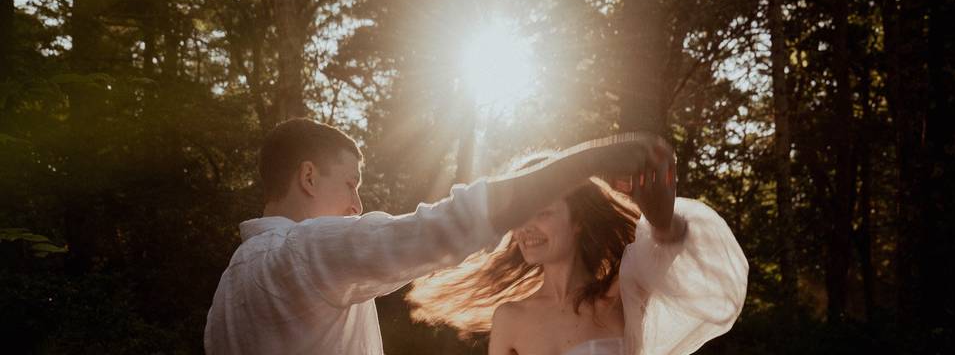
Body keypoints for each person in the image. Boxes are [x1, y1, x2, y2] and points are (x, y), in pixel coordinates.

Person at [203, 118, 670, 354]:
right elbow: (440, 229)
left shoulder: (226, 295)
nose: (356, 205)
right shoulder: (303, 254)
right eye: (350, 184)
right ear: (308, 177)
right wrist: (588, 162)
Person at [406, 150, 749, 355]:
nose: (525, 227)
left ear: (578, 222)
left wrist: (663, 222)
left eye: (542, 212)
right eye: (520, 215)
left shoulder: (621, 296)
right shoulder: (509, 317)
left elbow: (695, 263)